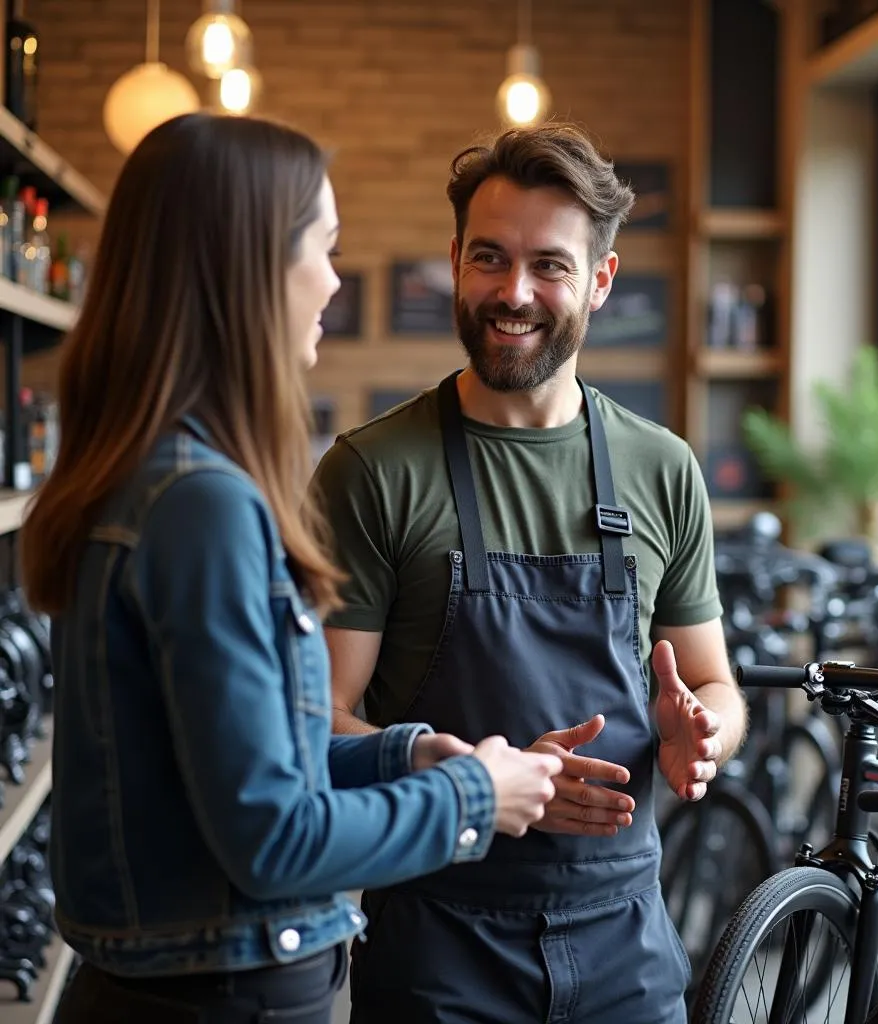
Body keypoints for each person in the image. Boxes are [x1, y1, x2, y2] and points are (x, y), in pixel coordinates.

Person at [19, 111, 563, 1024]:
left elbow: (230, 762)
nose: (334, 281)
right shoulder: (202, 506)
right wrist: (475, 794)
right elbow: (273, 837)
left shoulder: (147, 475)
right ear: (248, 266)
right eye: (325, 246)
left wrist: (403, 753)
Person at [311, 121, 749, 1023]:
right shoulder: (373, 470)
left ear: (600, 279)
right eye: (489, 259)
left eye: (549, 264)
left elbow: (714, 684)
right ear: (456, 263)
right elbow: (316, 718)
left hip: (625, 939)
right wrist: (476, 776)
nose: (514, 293)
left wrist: (703, 735)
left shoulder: (662, 468)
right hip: (439, 943)